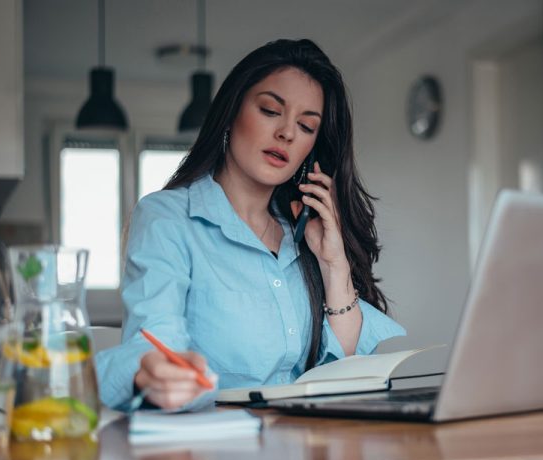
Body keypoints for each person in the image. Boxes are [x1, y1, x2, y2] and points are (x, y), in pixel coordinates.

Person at [96, 39, 406, 411]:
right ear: (231, 112)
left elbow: (339, 375)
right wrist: (155, 371)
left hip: (304, 450)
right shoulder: (168, 219)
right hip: (212, 455)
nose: (287, 133)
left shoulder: (304, 234)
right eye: (270, 110)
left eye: (307, 126)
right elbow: (154, 342)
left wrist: (333, 265)